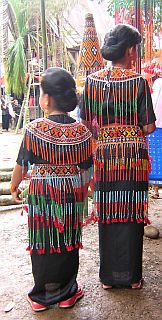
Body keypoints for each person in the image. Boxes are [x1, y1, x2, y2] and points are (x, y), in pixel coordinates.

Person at [10, 67, 93, 311]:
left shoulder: (34, 129)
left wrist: (14, 186)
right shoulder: (82, 132)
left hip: (42, 193)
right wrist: (82, 190)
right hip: (70, 192)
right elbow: (87, 170)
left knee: (43, 241)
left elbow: (21, 164)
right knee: (68, 240)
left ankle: (41, 296)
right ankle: (67, 293)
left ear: (46, 98)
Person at [80, 24, 156, 289]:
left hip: (105, 157)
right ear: (130, 50)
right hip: (133, 158)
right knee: (132, 210)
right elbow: (148, 127)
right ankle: (132, 277)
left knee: (109, 210)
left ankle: (109, 278)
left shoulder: (91, 82)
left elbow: (87, 124)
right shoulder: (138, 83)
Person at [148, 76, 162, 198]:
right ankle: (155, 189)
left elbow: (153, 103)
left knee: (155, 156)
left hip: (156, 125)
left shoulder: (158, 83)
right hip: (156, 125)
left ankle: (155, 189)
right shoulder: (158, 83)